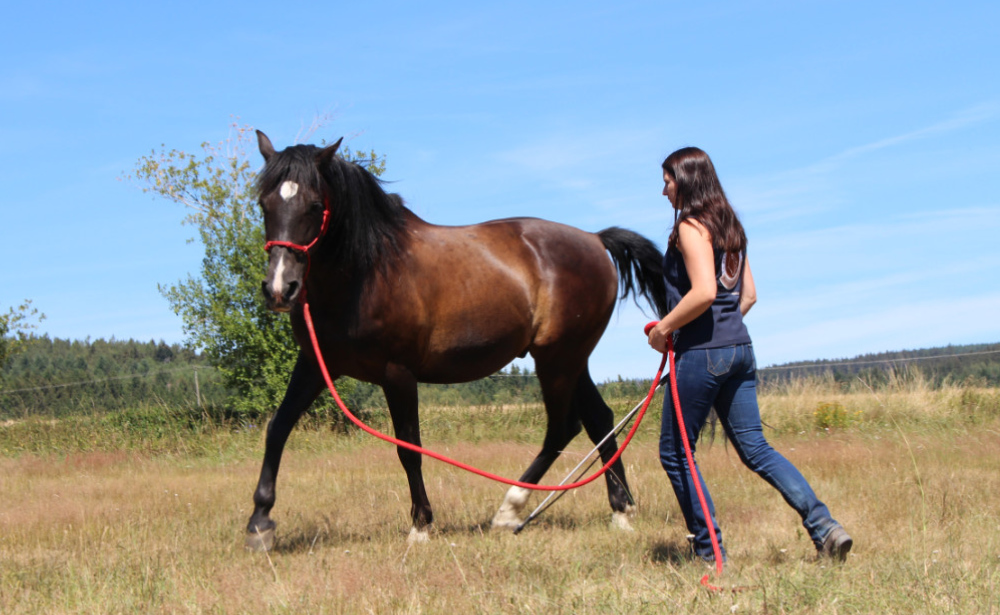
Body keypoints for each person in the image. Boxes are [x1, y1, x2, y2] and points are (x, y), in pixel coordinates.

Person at [646, 147, 852, 564]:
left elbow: (705, 292)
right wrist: (723, 333)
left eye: (667, 181)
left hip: (702, 355)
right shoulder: (730, 226)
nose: (663, 190)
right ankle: (824, 526)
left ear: (685, 180)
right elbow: (749, 295)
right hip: (740, 349)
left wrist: (664, 329)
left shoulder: (690, 226)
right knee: (757, 449)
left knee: (676, 453)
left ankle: (709, 554)